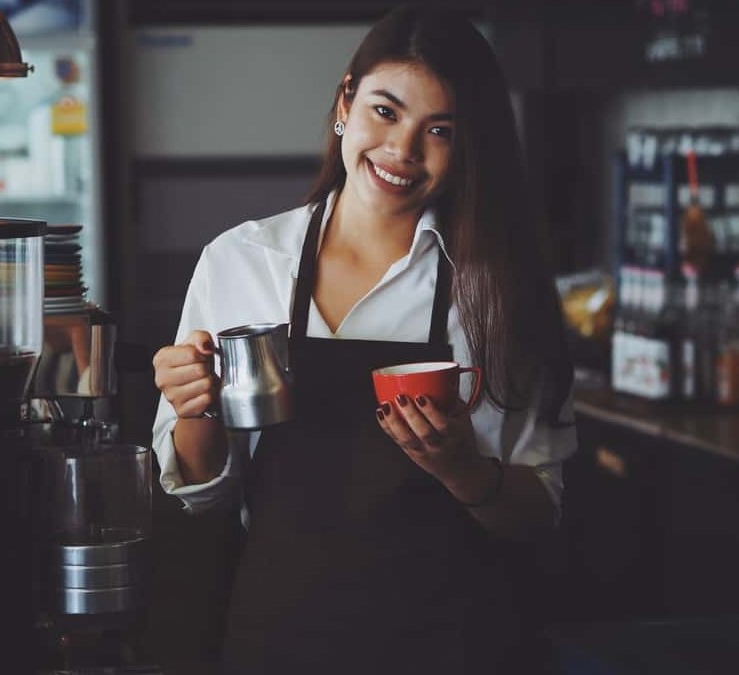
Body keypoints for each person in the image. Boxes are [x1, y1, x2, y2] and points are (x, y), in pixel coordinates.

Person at [151, 4, 577, 673]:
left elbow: (540, 510)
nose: (402, 150)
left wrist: (466, 471)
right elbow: (201, 493)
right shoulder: (241, 262)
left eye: (438, 129)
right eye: (386, 110)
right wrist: (192, 408)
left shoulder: (496, 290)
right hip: (279, 635)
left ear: (469, 145)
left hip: (453, 644)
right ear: (345, 100)